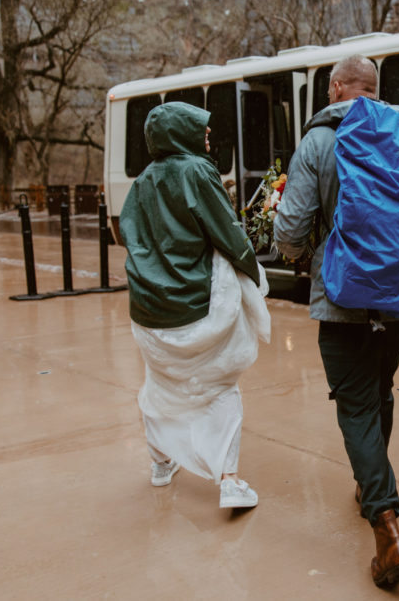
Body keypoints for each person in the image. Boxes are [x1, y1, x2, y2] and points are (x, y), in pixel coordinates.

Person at [274, 55, 399, 587]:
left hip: (343, 301)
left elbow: (290, 228)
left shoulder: (319, 142)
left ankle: (386, 526)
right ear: (376, 91)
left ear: (336, 88)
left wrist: (295, 251)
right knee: (377, 388)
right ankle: (371, 481)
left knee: (357, 405)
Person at [120, 101, 271, 510]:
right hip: (197, 304)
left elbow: (132, 236)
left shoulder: (142, 181)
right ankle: (229, 480)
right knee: (220, 386)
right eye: (200, 129)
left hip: (150, 310)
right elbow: (226, 231)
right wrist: (255, 273)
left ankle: (161, 463)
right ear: (181, 132)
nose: (208, 136)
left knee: (160, 384)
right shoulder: (197, 171)